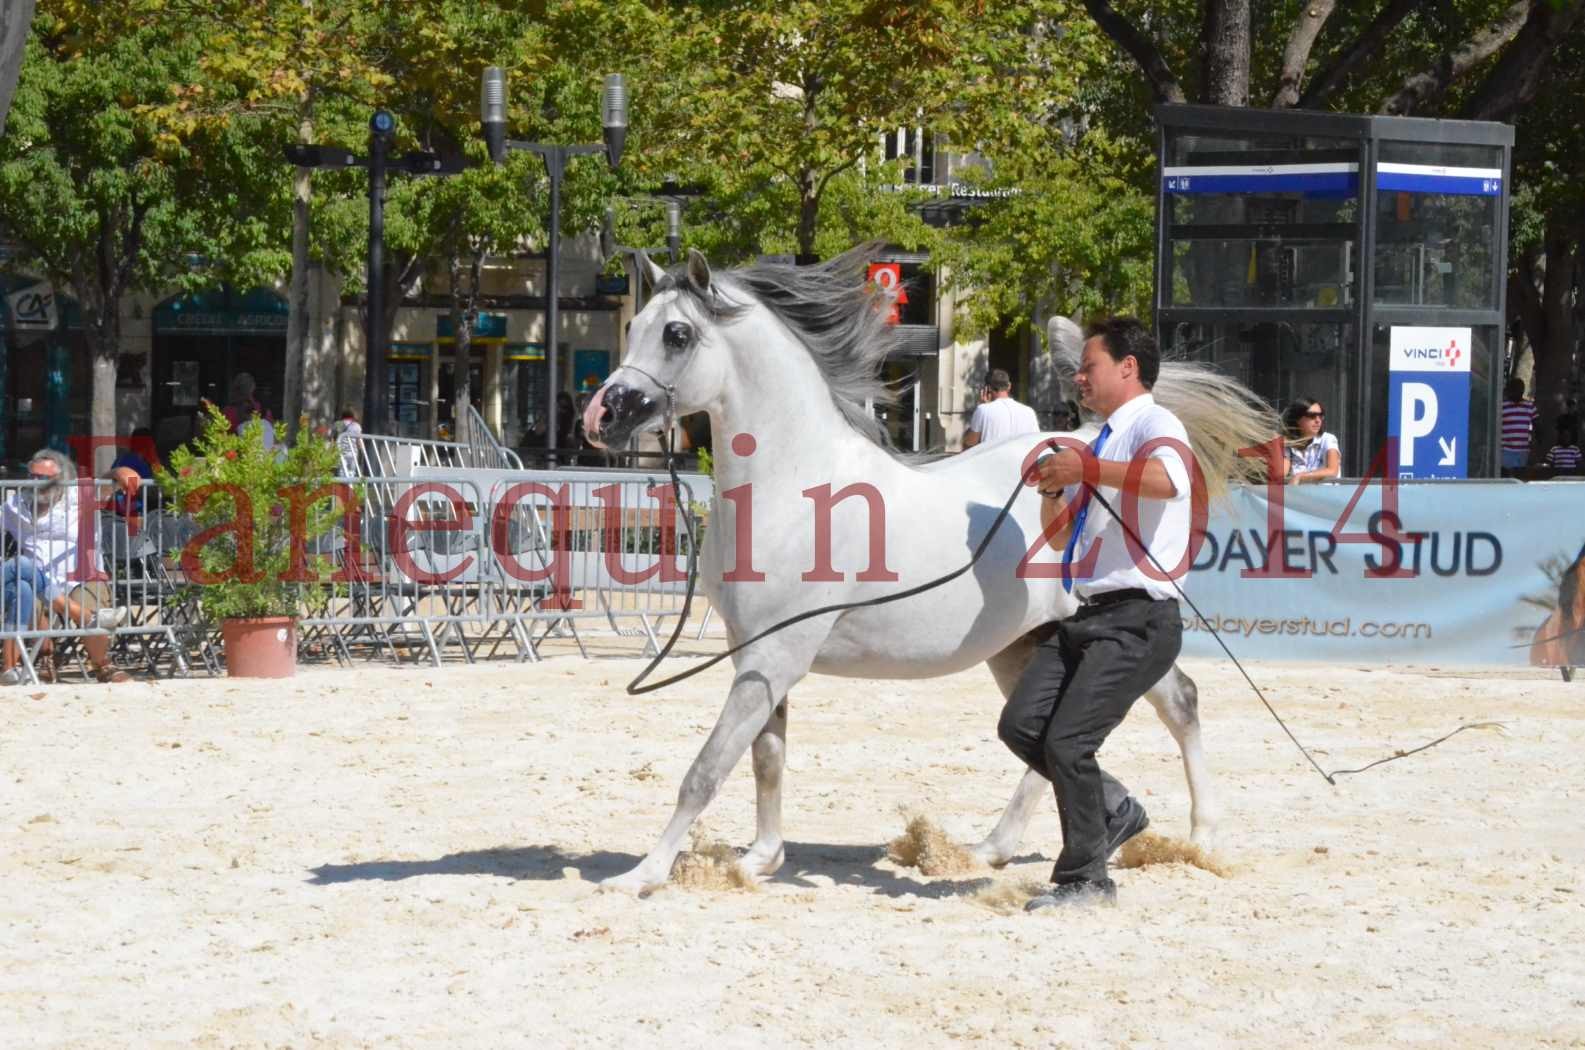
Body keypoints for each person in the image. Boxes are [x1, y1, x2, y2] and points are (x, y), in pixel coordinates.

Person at [1003, 316, 1192, 910]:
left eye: (1090, 367)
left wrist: (1082, 468)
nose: (1078, 377)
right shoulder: (1104, 440)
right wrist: (1053, 490)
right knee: (1021, 727)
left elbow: (1169, 481)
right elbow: (1060, 541)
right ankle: (1114, 811)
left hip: (1139, 619)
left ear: (1127, 368)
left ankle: (1087, 881)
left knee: (1066, 741)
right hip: (1090, 613)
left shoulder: (1156, 424)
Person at [2, 449, 131, 685]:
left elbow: (107, 484)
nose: (36, 483)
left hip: (82, 573)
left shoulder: (79, 494)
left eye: (44, 478)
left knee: (86, 595)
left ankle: (103, 665)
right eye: (32, 477)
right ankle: (45, 660)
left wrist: (119, 472)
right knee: (25, 588)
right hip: (38, 575)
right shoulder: (16, 503)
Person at [963, 368, 1039, 449]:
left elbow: (969, 443)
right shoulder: (1029, 411)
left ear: (988, 388)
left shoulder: (982, 410)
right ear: (1009, 386)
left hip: (991, 461)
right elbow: (1036, 442)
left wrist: (983, 406)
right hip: (1021, 461)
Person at [1281, 397, 1341, 484]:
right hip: (1298, 496)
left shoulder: (1328, 439)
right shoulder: (1289, 444)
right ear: (1297, 419)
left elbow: (1332, 471)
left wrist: (1301, 476)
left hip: (1325, 496)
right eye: (1312, 416)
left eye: (1321, 415)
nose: (1318, 420)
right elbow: (1281, 474)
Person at [224, 372, 277, 451]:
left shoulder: (228, 411)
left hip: (238, 455)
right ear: (253, 387)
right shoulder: (263, 408)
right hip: (265, 455)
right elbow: (273, 433)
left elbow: (223, 437)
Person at [1501, 378, 1536, 472]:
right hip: (1506, 450)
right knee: (1507, 477)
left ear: (1522, 390)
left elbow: (1537, 427)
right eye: (1514, 389)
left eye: (1519, 389)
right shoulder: (1502, 406)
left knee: (1520, 477)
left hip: (1523, 451)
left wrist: (1533, 447)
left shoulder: (1529, 406)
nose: (1516, 392)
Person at [334, 408, 362, 477]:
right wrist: (361, 449)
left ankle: (342, 487)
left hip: (341, 452)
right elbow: (359, 441)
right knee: (351, 472)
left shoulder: (338, 424)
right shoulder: (357, 426)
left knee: (341, 471)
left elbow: (334, 438)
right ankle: (350, 486)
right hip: (353, 452)